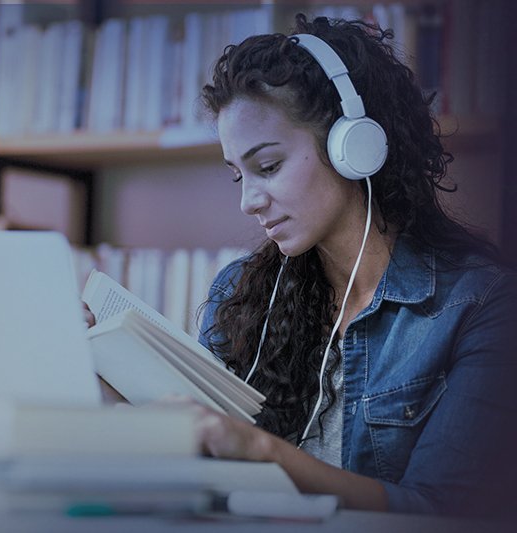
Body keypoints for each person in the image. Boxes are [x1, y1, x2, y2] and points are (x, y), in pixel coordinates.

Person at [184, 13, 517, 517]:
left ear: (352, 147)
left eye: (268, 166)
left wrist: (263, 451)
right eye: (238, 176)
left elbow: (441, 513)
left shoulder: (480, 307)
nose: (248, 202)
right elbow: (198, 485)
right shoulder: (240, 295)